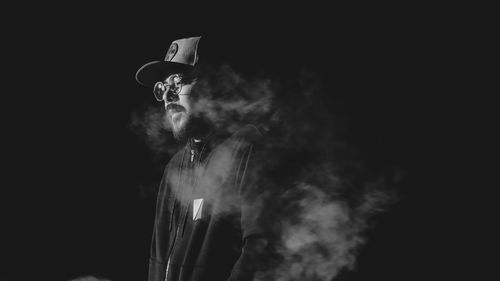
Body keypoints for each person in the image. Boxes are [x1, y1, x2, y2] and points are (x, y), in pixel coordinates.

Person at [135, 36, 271, 281]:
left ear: (213, 83)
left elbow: (261, 249)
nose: (168, 97)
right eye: (163, 87)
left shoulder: (245, 148)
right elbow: (157, 258)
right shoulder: (173, 168)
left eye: (177, 82)